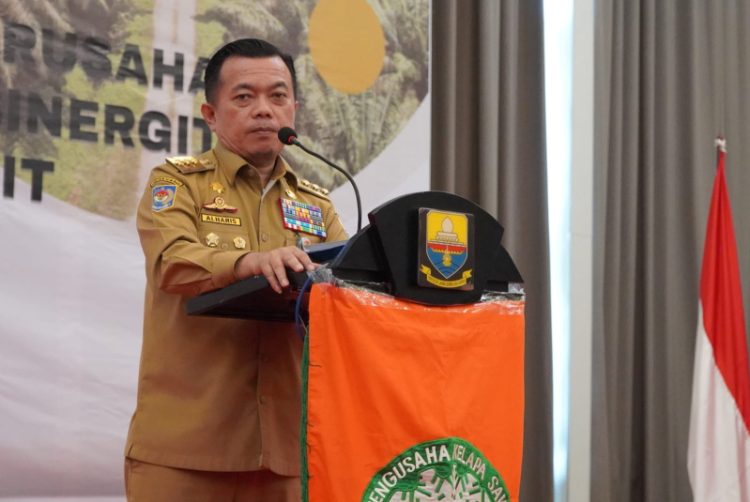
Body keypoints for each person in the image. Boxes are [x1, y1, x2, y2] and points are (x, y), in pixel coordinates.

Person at [124, 38, 347, 501]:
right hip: (187, 451)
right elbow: (173, 262)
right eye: (244, 97)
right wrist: (248, 263)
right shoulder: (177, 183)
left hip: (286, 454)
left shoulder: (316, 203)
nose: (264, 110)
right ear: (211, 114)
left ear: (294, 109)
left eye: (278, 96)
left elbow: (347, 290)